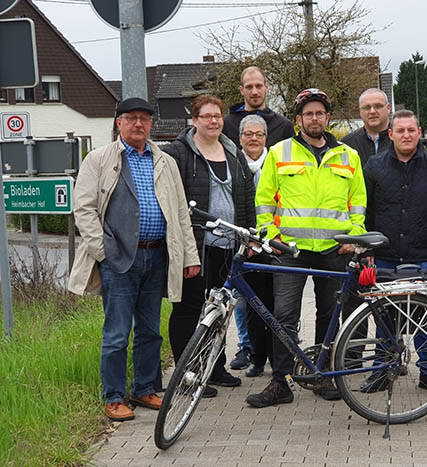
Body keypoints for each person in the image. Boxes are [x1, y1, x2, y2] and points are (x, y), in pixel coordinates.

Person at [68, 97, 201, 421]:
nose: (138, 124)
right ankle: (114, 397)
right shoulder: (100, 160)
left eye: (144, 119)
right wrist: (104, 252)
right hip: (119, 260)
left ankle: (145, 389)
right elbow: (83, 209)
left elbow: (181, 212)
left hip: (156, 256)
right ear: (119, 123)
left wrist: (189, 255)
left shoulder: (164, 161)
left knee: (150, 331)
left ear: (151, 124)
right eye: (131, 119)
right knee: (116, 334)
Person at [246, 88, 366, 408]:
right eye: (308, 114)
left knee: (328, 314)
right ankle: (281, 382)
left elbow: (358, 205)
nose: (315, 118)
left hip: (333, 249)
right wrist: (271, 235)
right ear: (299, 120)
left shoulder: (348, 156)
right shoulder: (279, 152)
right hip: (291, 250)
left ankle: (321, 375)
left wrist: (353, 236)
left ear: (328, 118)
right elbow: (264, 201)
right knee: (284, 315)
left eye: (320, 113)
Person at [161, 94, 256, 398]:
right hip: (196, 244)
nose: (214, 121)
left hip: (228, 245)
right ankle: (187, 375)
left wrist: (249, 235)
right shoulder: (179, 153)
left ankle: (214, 368)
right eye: (207, 116)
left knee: (220, 309)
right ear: (195, 120)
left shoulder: (232, 151)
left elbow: (246, 196)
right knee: (189, 309)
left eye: (217, 116)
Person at [361, 109, 427, 394]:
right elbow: (365, 209)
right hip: (384, 253)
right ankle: (381, 371)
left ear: (419, 132)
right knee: (384, 317)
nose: (406, 135)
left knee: (423, 318)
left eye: (411, 130)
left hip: (422, 254)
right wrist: (367, 249)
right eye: (400, 131)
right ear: (391, 134)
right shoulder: (374, 166)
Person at [234, 114, 275, 378]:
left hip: (273, 244)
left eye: (258, 134)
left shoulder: (275, 162)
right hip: (244, 246)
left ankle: (278, 356)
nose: (253, 139)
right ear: (240, 138)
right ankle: (256, 357)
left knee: (276, 305)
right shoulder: (233, 163)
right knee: (249, 304)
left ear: (265, 138)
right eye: (248, 134)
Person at [222, 66, 294, 150]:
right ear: (241, 90)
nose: (254, 92)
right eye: (249, 87)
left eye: (258, 86)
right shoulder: (227, 125)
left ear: (266, 87)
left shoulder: (284, 126)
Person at [341, 88, 393, 165]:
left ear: (388, 108)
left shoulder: (404, 140)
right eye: (366, 108)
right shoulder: (346, 145)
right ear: (360, 112)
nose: (372, 111)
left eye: (378, 106)